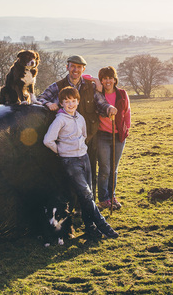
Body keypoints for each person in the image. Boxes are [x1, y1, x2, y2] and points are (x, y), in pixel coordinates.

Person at [43, 86, 119, 239]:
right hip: (70, 162)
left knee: (87, 195)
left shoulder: (80, 118)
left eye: (73, 101)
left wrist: (80, 149)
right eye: (66, 101)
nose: (70, 104)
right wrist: (61, 151)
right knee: (86, 194)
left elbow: (83, 135)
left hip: (84, 158)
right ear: (62, 103)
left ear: (78, 101)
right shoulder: (60, 120)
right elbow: (48, 140)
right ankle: (104, 226)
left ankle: (90, 229)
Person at [38, 55, 117, 197]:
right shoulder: (57, 86)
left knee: (90, 172)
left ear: (83, 69)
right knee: (67, 174)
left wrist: (109, 108)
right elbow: (40, 98)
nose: (75, 70)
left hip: (88, 139)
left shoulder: (91, 87)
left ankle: (88, 204)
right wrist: (48, 104)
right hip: (66, 142)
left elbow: (101, 103)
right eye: (73, 66)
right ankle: (71, 205)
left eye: (79, 67)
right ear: (67, 67)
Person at [95, 66, 131, 210]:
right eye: (104, 78)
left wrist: (126, 129)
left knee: (114, 169)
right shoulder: (98, 94)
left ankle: (112, 196)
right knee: (104, 168)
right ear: (101, 80)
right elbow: (85, 77)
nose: (108, 81)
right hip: (102, 135)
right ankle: (103, 199)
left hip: (119, 136)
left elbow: (127, 112)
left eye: (110, 78)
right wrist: (94, 80)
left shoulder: (122, 94)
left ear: (115, 79)